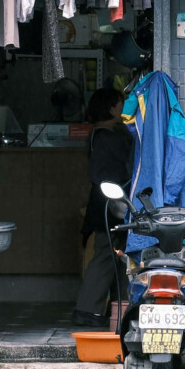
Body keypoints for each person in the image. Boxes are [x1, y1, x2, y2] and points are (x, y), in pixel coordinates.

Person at [73, 87, 132, 327]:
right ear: (111, 109)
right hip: (111, 205)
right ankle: (87, 309)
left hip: (105, 203)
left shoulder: (99, 135)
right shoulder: (109, 138)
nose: (123, 107)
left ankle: (119, 307)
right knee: (106, 256)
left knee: (117, 257)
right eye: (121, 103)